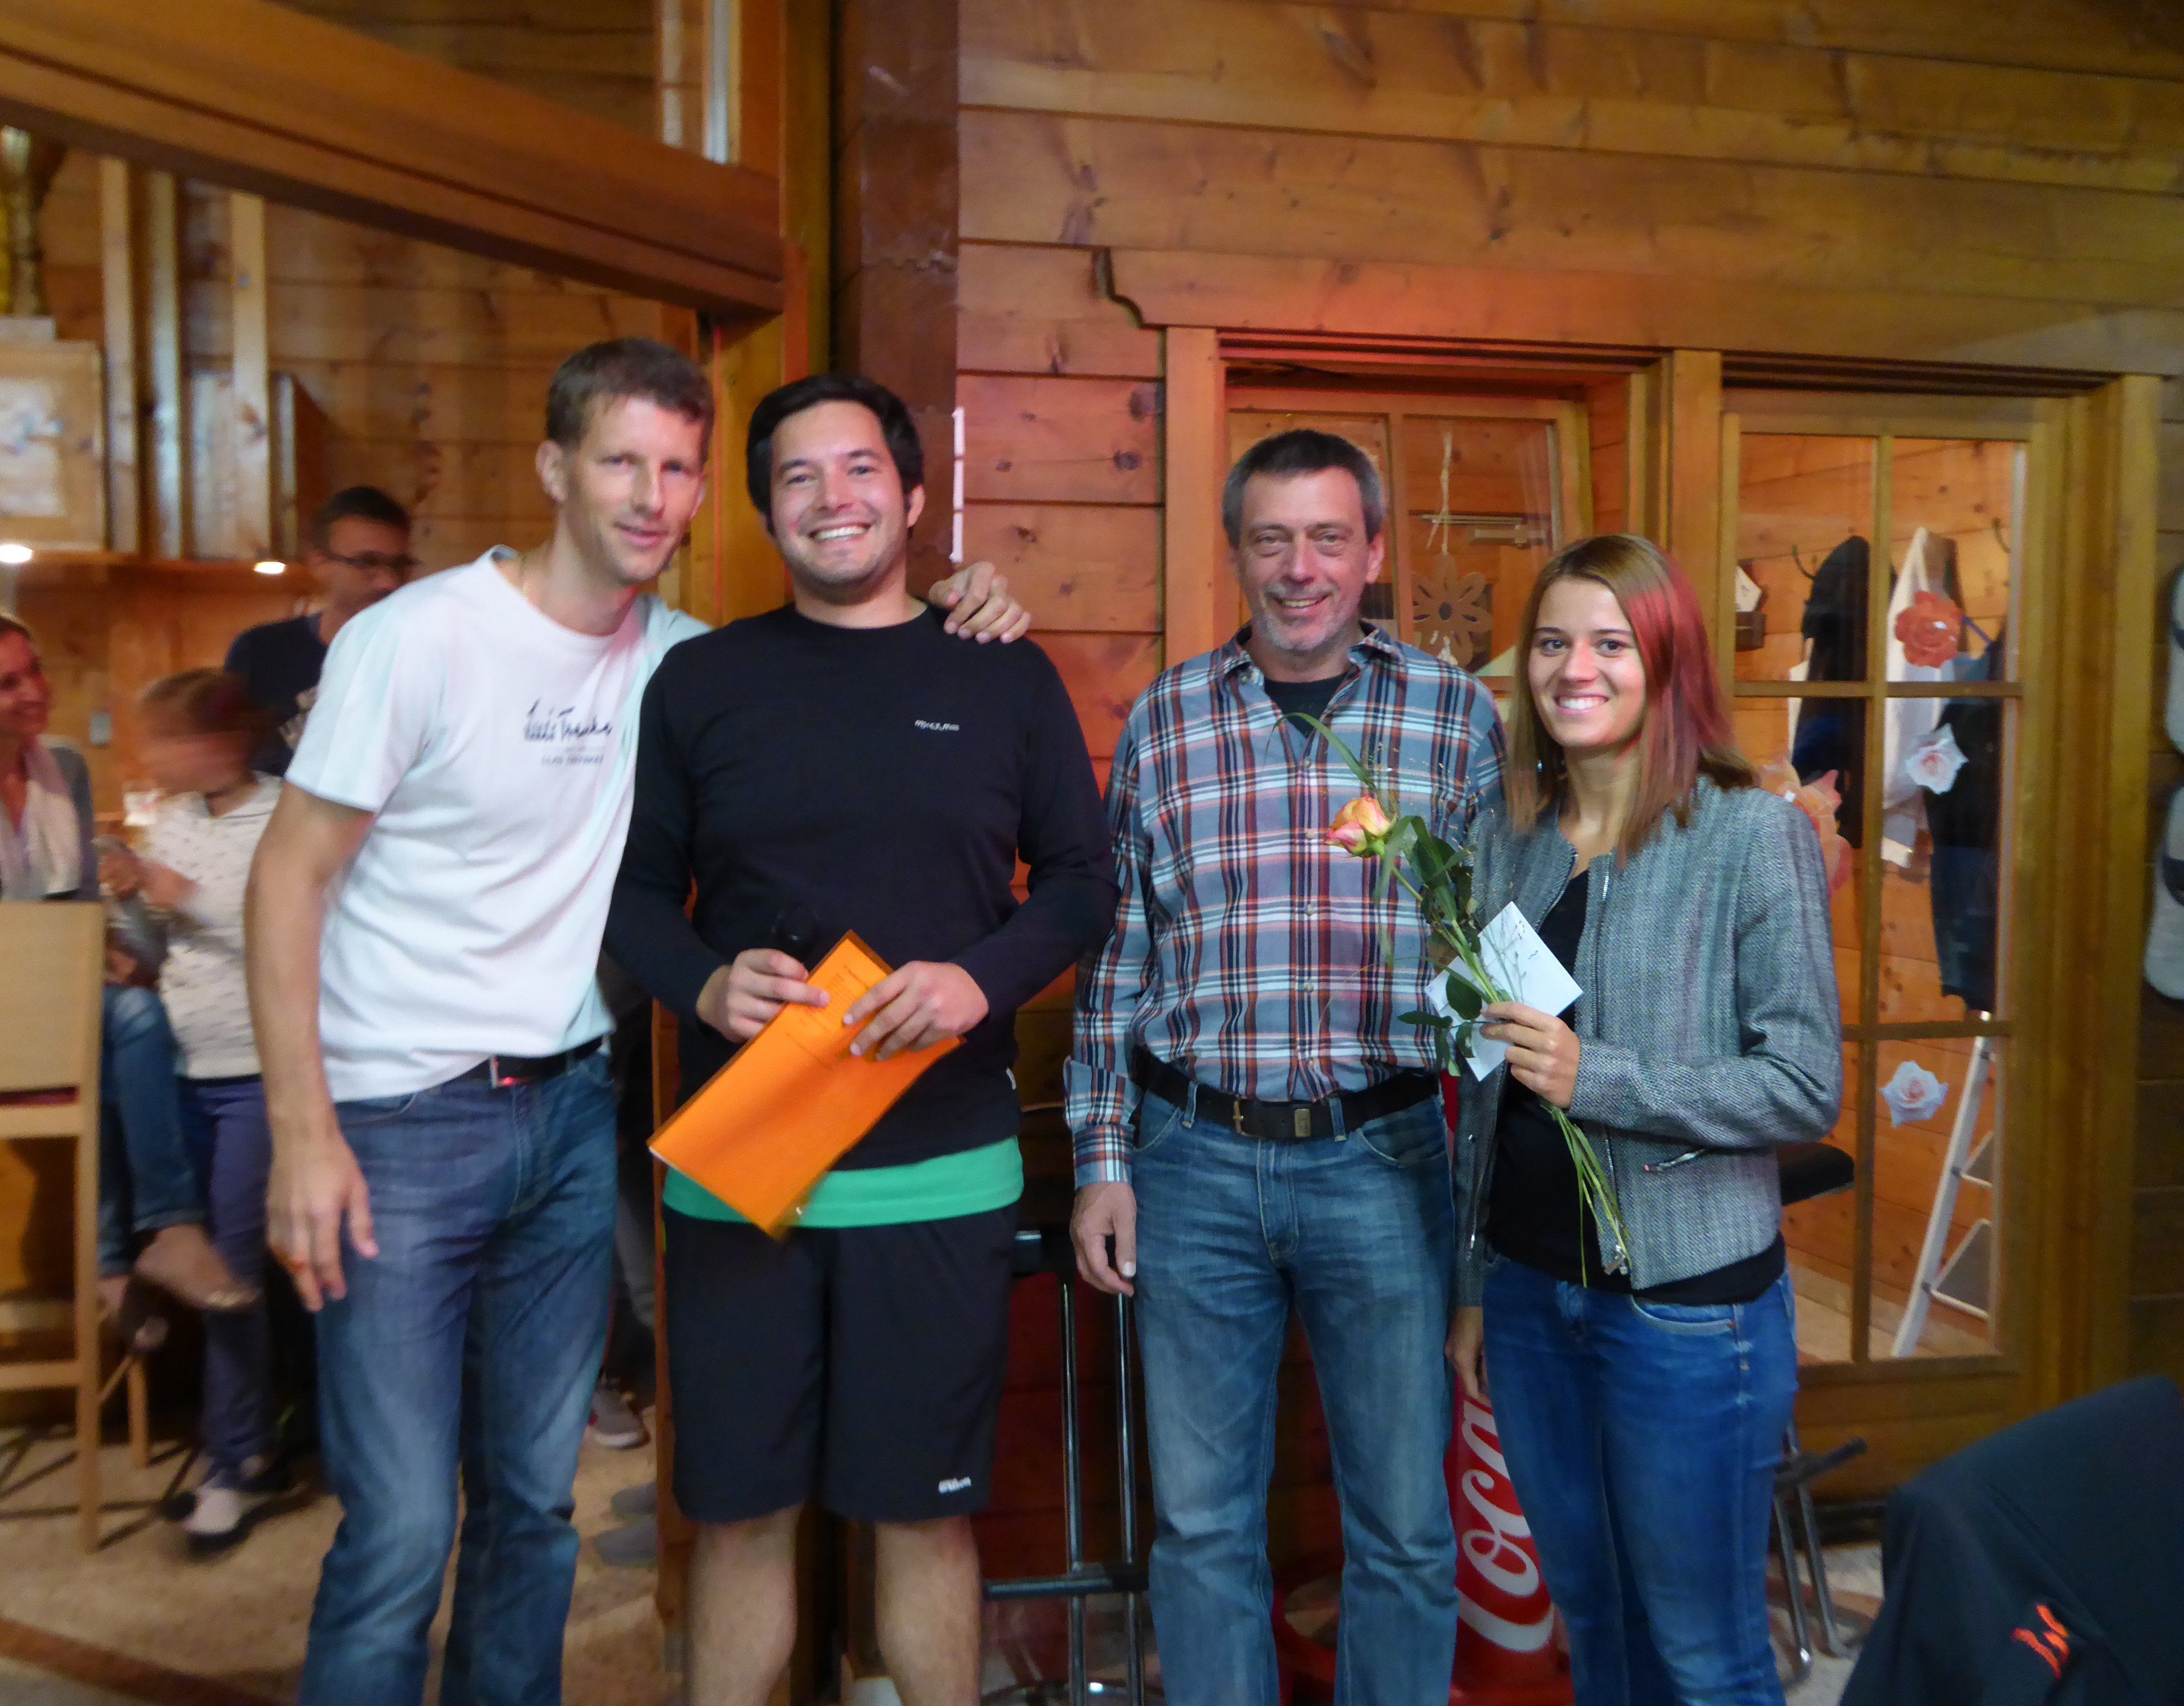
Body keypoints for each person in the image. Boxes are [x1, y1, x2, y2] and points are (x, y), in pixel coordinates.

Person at [245, 338, 1031, 1706]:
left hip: (567, 1115)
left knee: (532, 1511)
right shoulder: (416, 637)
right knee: (403, 1531)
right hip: (398, 1120)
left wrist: (968, 592)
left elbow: (849, 665)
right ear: (554, 468)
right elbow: (285, 878)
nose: (650, 495)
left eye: (676, 466)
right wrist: (301, 1132)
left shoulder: (685, 661)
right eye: (621, 460)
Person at [604, 372, 1115, 1706]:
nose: (830, 498)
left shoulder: (1000, 673)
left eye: (858, 469)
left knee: (922, 1517)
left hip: (936, 1169)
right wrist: (705, 984)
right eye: (796, 476)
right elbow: (636, 898)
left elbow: (1079, 882)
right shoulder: (700, 681)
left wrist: (977, 985)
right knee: (738, 1519)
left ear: (913, 496)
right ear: (765, 510)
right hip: (741, 1173)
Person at [1065, 429, 1504, 1705]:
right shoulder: (1166, 718)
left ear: (1372, 552)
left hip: (1385, 1161)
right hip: (1191, 1162)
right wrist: (1102, 1160)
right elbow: (1119, 956)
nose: (1298, 568)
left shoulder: (1452, 717)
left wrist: (1491, 1209)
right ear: (1237, 554)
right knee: (1202, 1529)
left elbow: (1492, 958)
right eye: (1270, 540)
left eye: (1326, 539)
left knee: (1405, 1529)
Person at [1443, 534, 1843, 1706]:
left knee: (1704, 1655)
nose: (1575, 669)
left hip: (1685, 1316)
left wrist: (1600, 1078)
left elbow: (1802, 1083)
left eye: (1610, 643)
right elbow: (1485, 1087)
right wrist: (1472, 1284)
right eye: (1552, 643)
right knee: (1596, 1623)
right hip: (1529, 1297)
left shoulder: (1748, 835)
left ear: (1666, 662)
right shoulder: (1503, 834)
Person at [0, 605, 251, 1314]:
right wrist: (77, 961)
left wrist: (110, 948)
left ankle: (114, 1266)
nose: (35, 690)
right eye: (7, 684)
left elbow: (82, 900)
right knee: (136, 1020)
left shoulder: (62, 766)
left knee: (120, 1047)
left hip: (59, 997)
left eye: (34, 670)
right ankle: (169, 1229)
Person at [105, 669, 289, 1553]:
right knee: (211, 1265)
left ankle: (227, 1468)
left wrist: (186, 897)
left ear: (219, 741)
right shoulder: (175, 820)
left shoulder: (285, 812)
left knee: (229, 1271)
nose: (153, 757)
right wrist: (128, 911)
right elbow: (162, 946)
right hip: (180, 1071)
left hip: (259, 1075)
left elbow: (296, 931)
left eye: (166, 740)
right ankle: (248, 1448)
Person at [225, 486, 416, 776]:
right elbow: (225, 761)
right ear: (320, 564)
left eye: (400, 566)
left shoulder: (428, 656)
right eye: (367, 563)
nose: (389, 583)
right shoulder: (260, 651)